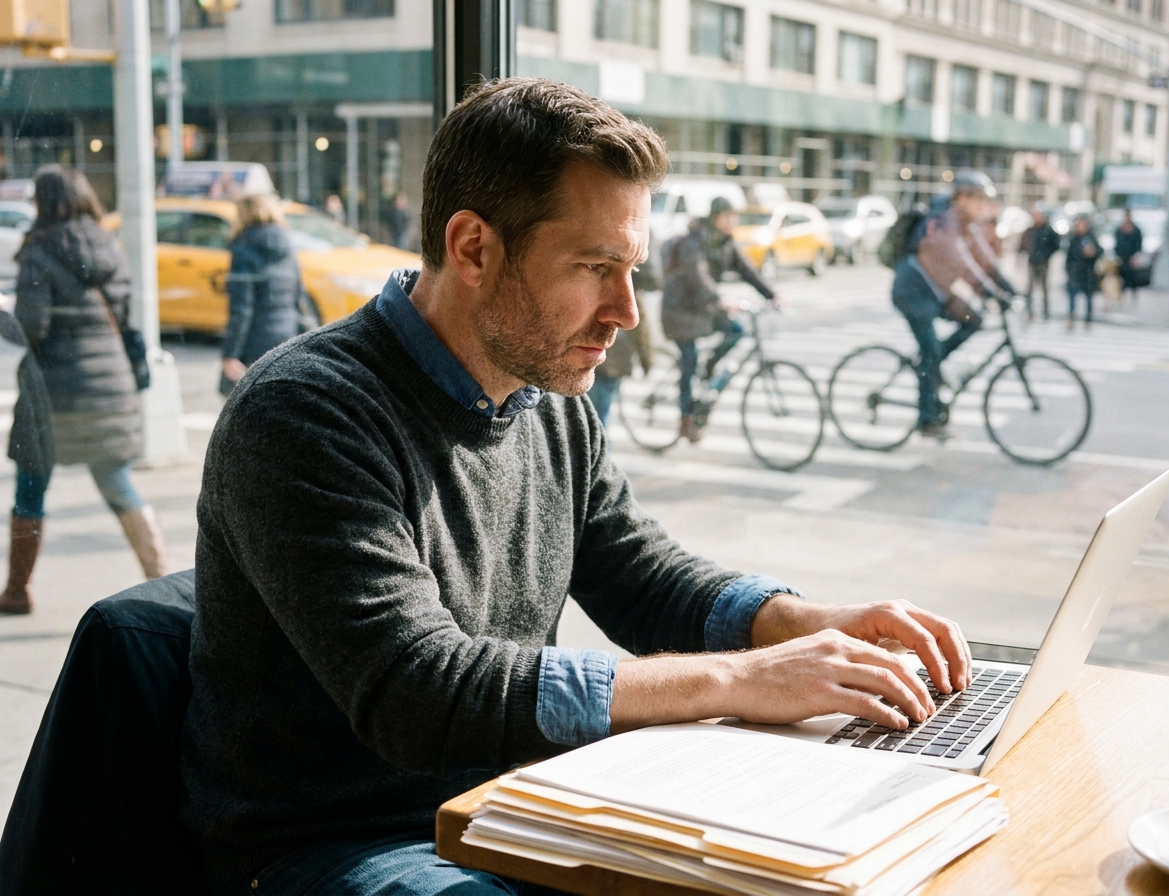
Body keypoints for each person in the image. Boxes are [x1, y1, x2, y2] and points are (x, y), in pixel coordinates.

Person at [182, 78, 972, 895]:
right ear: (473, 248)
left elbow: (640, 577)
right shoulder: (305, 411)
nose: (627, 311)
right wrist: (742, 678)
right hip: (335, 844)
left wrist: (804, 624)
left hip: (507, 807)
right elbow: (418, 691)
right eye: (596, 268)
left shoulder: (548, 401)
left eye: (631, 269)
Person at [0, 166, 167, 615]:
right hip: (110, 386)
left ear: (44, 201)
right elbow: (125, 315)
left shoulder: (39, 250)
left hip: (53, 397)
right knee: (117, 482)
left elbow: (32, 327)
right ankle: (163, 582)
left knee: (31, 486)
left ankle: (17, 590)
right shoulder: (108, 244)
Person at [891, 171, 1008, 440]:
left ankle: (932, 368)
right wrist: (990, 293)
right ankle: (927, 420)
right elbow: (963, 264)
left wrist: (1010, 291)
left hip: (937, 293)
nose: (983, 206)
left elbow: (986, 262)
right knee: (930, 351)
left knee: (975, 320)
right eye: (978, 200)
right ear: (962, 198)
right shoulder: (943, 221)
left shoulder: (968, 225)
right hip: (913, 292)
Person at [661, 196, 775, 443]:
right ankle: (685, 419)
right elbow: (697, 274)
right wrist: (719, 298)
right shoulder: (695, 240)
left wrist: (772, 295)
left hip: (704, 309)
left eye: (735, 217)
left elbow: (747, 270)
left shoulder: (726, 242)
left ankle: (710, 365)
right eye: (729, 216)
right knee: (689, 361)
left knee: (737, 330)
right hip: (680, 311)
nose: (733, 221)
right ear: (716, 217)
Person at [220, 194, 302, 394]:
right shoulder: (287, 244)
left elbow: (242, 308)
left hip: (254, 341)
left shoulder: (244, 248)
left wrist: (230, 353)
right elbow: (298, 295)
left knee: (245, 401)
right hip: (287, 333)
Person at [586, 262, 655, 428]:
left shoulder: (603, 289)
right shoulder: (631, 296)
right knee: (600, 415)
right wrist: (646, 361)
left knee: (595, 416)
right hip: (612, 363)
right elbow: (641, 334)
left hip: (602, 363)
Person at [1018, 203, 1059, 320]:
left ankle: (1045, 312)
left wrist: (1046, 255)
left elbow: (1055, 245)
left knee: (1044, 288)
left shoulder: (1048, 231)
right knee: (1030, 288)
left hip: (1043, 262)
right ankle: (1030, 312)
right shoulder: (1030, 230)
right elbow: (1023, 243)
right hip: (1032, 261)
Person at [1064, 215, 1100, 329]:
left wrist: (1093, 252)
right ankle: (1071, 318)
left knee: (1088, 298)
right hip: (1075, 272)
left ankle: (1088, 319)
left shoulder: (1091, 238)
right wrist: (1068, 270)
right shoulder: (1073, 239)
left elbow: (1099, 252)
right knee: (1072, 297)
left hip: (1088, 273)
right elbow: (1069, 256)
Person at [1113, 209, 1143, 304]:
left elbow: (1139, 244)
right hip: (1122, 257)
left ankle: (1134, 295)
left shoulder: (1136, 230)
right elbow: (1117, 244)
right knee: (1122, 277)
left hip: (1132, 257)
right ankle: (1121, 295)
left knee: (1133, 277)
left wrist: (1136, 255)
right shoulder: (1119, 229)